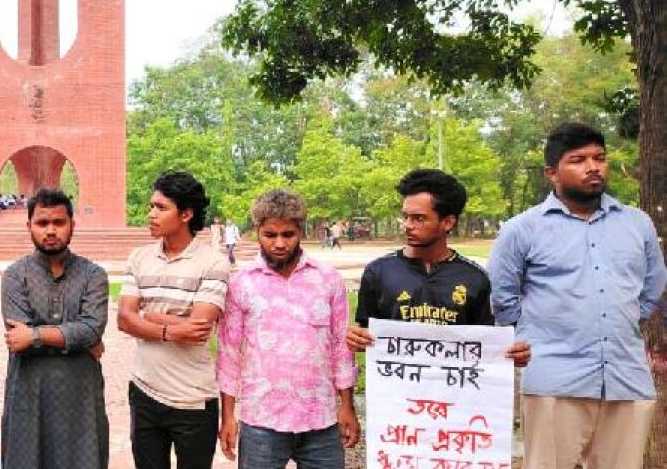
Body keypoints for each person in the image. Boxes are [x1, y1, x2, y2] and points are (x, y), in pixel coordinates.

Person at [488, 123, 667, 469]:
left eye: (600, 158)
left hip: (626, 377)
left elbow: (651, 288)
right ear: (552, 172)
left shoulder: (637, 223)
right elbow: (503, 298)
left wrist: (623, 319)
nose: (593, 167)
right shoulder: (521, 230)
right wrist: (532, 338)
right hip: (554, 378)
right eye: (578, 160)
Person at [217, 189, 359, 468]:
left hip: (321, 419)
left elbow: (341, 347)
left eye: (288, 235)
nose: (279, 244)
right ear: (258, 231)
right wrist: (228, 415)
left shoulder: (327, 279)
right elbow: (229, 353)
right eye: (270, 235)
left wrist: (347, 406)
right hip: (262, 421)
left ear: (301, 231)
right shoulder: (241, 283)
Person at [346, 168, 530, 353]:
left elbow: (484, 346)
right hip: (398, 379)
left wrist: (510, 355)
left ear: (448, 222)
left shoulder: (475, 278)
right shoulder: (378, 272)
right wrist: (357, 340)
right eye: (405, 217)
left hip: (453, 380)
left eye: (419, 218)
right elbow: (367, 334)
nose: (408, 225)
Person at [117, 171, 230, 469]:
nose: (151, 214)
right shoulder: (139, 258)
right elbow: (124, 320)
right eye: (151, 206)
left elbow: (198, 330)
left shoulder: (213, 262)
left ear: (186, 214)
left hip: (192, 399)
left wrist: (150, 318)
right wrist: (169, 328)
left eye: (161, 207)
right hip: (144, 391)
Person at [0, 187, 109, 469]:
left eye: (59, 223)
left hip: (80, 395)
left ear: (72, 224)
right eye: (42, 223)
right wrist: (76, 339)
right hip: (28, 392)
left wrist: (35, 335)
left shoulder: (93, 275)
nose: (51, 231)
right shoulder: (15, 275)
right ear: (29, 226)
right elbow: (16, 337)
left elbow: (93, 329)